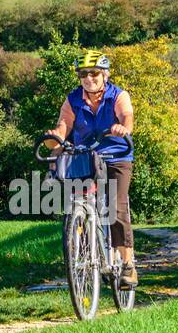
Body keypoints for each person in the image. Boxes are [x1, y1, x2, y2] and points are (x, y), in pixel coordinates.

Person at [45, 49, 137, 288]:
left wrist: (123, 128)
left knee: (116, 205)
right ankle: (87, 251)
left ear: (104, 74)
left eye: (94, 73)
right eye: (83, 74)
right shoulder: (73, 99)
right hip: (86, 155)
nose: (89, 78)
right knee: (81, 201)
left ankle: (127, 264)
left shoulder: (118, 95)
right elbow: (63, 126)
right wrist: (55, 139)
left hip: (117, 155)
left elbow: (126, 115)